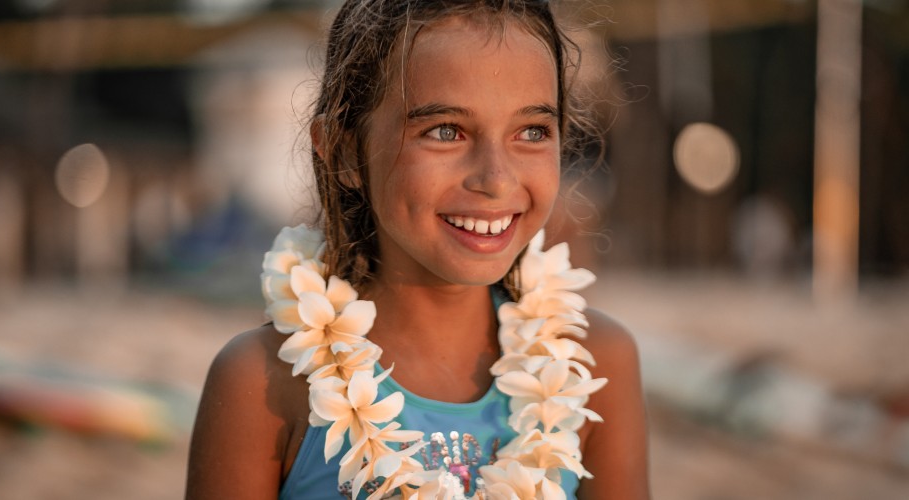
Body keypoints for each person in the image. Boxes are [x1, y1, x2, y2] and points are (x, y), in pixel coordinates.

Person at [185, 1, 649, 498]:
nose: (496, 179)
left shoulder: (591, 365)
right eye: (445, 131)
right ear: (344, 152)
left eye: (531, 131)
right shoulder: (263, 383)